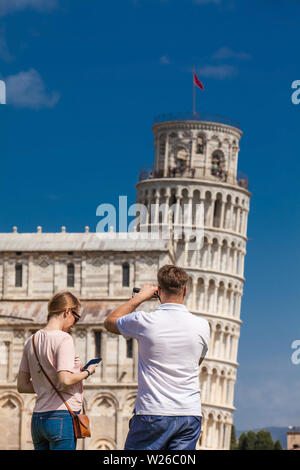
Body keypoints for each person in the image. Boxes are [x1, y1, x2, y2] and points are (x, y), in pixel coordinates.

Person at [104, 264, 210, 450]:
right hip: (189, 413)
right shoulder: (202, 325)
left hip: (153, 411)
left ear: (159, 291)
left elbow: (110, 322)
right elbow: (196, 362)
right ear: (185, 290)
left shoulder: (143, 321)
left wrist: (139, 298)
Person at [17, 290, 99, 450]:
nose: (75, 323)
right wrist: (87, 372)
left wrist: (45, 386)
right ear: (67, 311)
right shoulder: (63, 338)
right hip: (61, 417)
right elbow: (65, 380)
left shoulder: (31, 341)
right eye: (76, 318)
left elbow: (22, 385)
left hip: (38, 420)